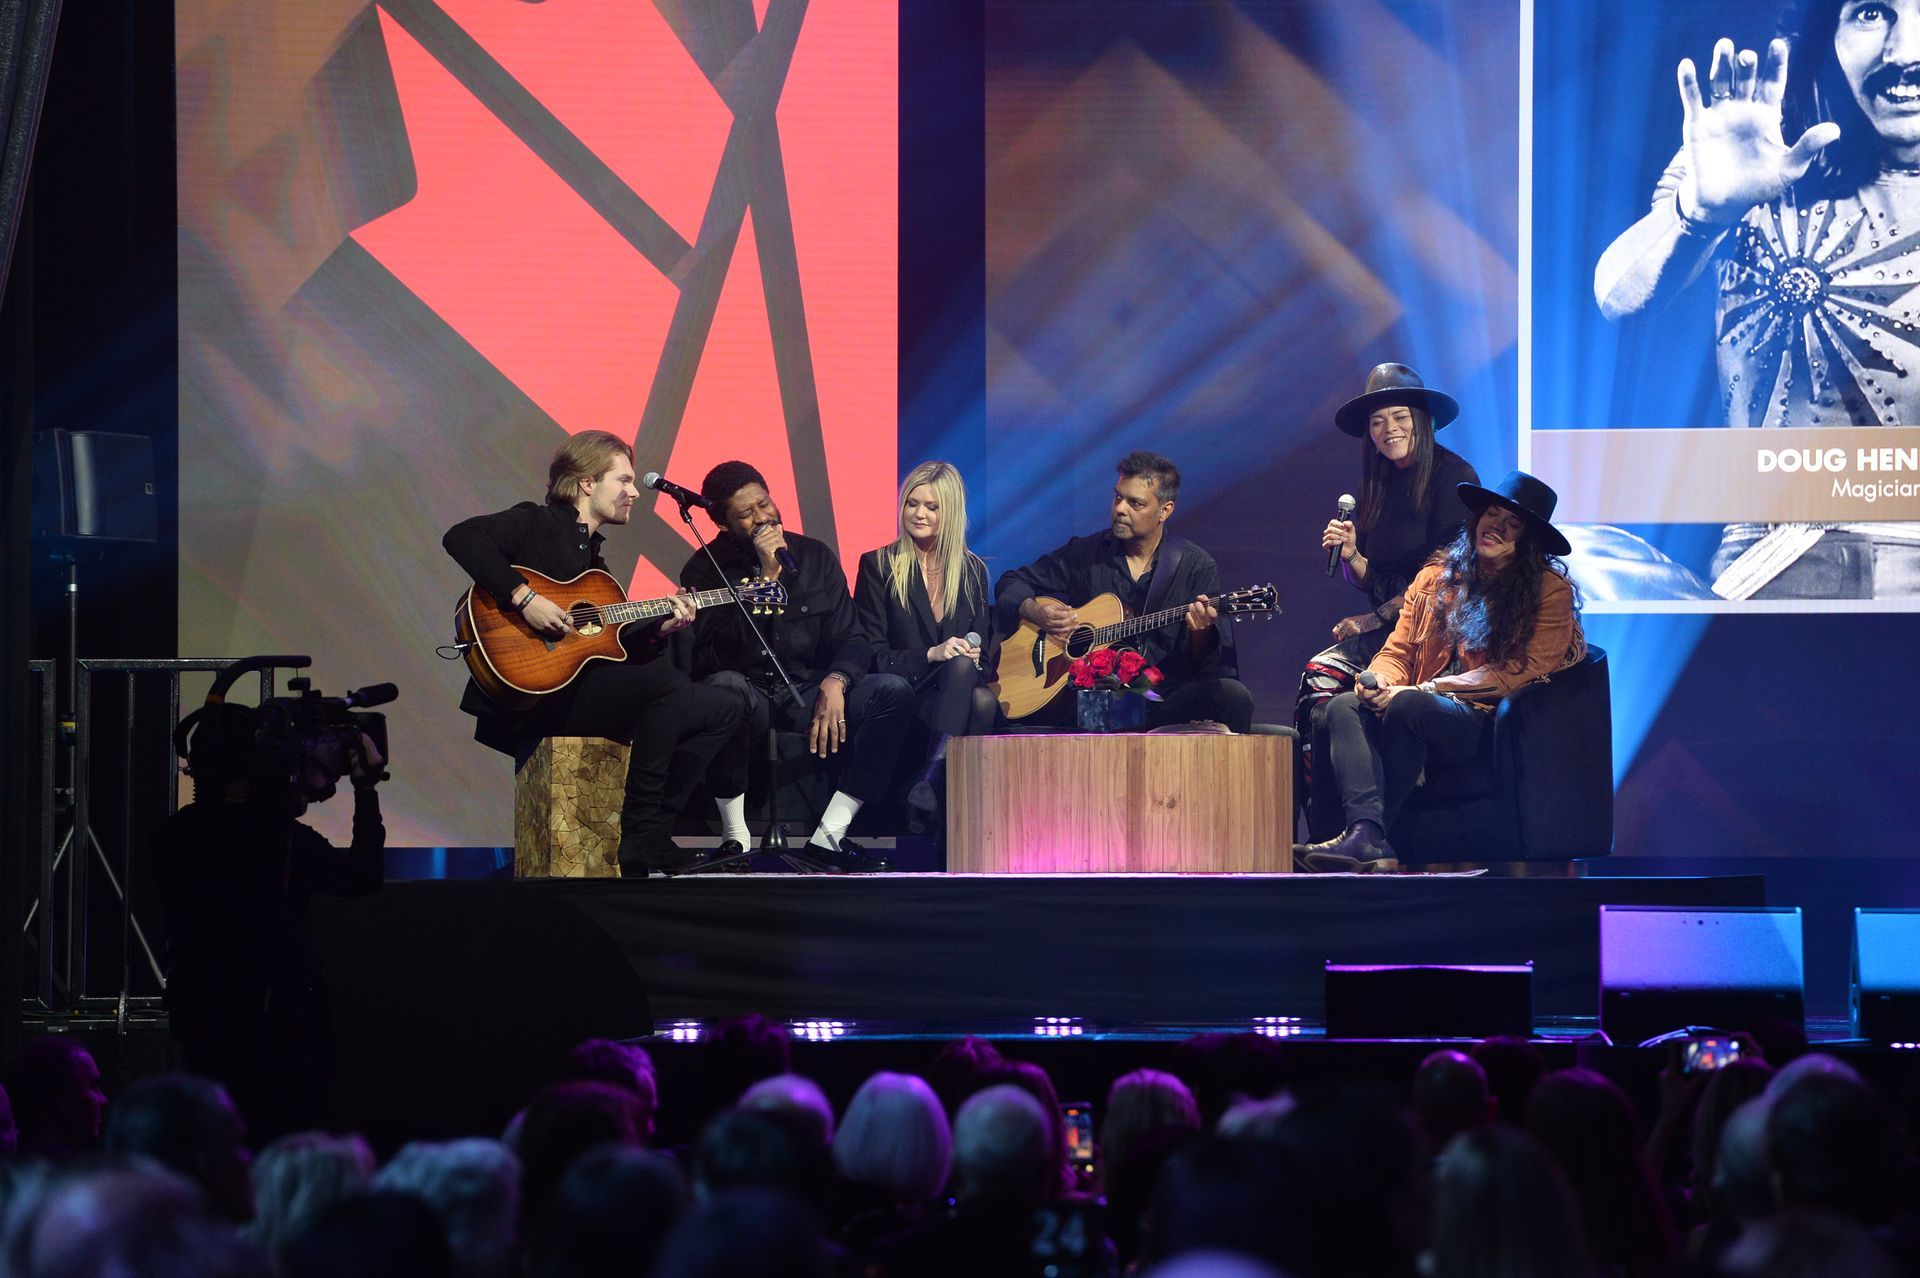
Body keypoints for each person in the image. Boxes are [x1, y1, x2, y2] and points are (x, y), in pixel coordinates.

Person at [1594, 7, 1920, 598]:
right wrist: (1700, 213)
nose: (1904, 51)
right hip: (1773, 568)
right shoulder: (1756, 150)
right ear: (1827, 33)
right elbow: (1618, 297)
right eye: (1872, 12)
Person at [443, 431, 750, 876]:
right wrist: (525, 599)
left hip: (576, 689)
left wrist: (661, 628)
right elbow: (461, 536)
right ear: (587, 483)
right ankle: (641, 834)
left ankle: (657, 827)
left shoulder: (595, 564)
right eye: (623, 481)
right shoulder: (538, 522)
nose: (633, 493)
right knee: (668, 685)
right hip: (534, 695)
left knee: (725, 707)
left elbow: (610, 650)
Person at [1296, 471, 1586, 873]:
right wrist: (1379, 680)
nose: (1496, 527)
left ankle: (1370, 837)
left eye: (1513, 524)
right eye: (1492, 514)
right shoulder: (1436, 577)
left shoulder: (1548, 591)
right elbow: (1398, 651)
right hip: (1413, 704)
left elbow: (1514, 672)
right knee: (1343, 705)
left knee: (1410, 706)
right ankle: (1366, 833)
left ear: (1530, 541)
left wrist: (1426, 689)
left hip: (1478, 720)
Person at [150, 691, 385, 1139]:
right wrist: (365, 789)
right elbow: (363, 876)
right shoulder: (283, 840)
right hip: (282, 1029)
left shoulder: (168, 837)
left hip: (202, 1019)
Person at [679, 461, 914, 873]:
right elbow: (714, 656)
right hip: (747, 693)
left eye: (764, 504)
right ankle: (735, 838)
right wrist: (767, 577)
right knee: (723, 688)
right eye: (746, 513)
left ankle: (830, 835)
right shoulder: (704, 568)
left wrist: (837, 681)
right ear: (723, 524)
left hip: (805, 690)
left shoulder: (815, 556)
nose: (762, 518)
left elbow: (853, 637)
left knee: (892, 691)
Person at [1297, 364, 1478, 837]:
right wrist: (1352, 555)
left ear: (1424, 420)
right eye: (1378, 421)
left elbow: (1444, 581)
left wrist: (1372, 618)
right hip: (1392, 626)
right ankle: (1328, 825)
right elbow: (1373, 578)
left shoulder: (1454, 478)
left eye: (1399, 417)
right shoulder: (1376, 484)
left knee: (1323, 674)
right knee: (1319, 688)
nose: (1388, 429)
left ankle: (1357, 820)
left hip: (1437, 631)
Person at [994, 450, 1254, 732]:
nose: (1120, 509)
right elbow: (1010, 582)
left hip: (1160, 701)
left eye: (1135, 503)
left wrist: (1201, 634)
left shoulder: (1195, 566)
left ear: (1165, 511)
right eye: (1118, 497)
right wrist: (1037, 612)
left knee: (1232, 696)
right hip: (1090, 704)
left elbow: (1214, 666)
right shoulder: (1085, 554)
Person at [851, 461, 997, 831]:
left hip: (954, 693)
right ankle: (948, 801)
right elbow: (871, 653)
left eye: (932, 507)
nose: (919, 514)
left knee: (978, 691)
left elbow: (985, 657)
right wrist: (932, 654)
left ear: (950, 513)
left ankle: (930, 788)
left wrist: (974, 656)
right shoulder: (879, 565)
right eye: (912, 504)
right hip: (906, 691)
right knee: (979, 700)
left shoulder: (972, 571)